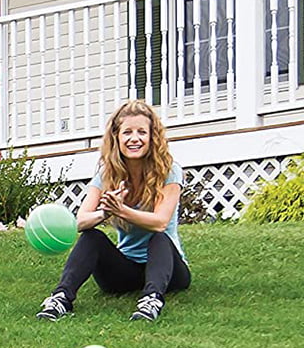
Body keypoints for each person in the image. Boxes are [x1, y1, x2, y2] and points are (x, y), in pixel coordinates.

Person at [36, 99, 190, 324]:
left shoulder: (169, 171)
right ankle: (61, 298)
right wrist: (104, 213)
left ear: (152, 137)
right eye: (127, 132)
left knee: (159, 237)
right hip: (125, 272)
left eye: (141, 132)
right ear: (116, 137)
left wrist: (122, 210)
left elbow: (160, 222)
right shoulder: (107, 174)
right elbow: (79, 222)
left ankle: (151, 300)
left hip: (169, 271)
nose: (134, 138)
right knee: (92, 237)